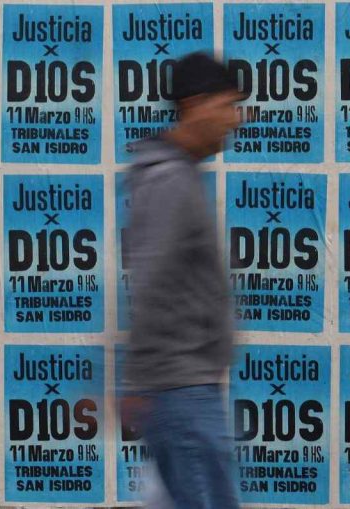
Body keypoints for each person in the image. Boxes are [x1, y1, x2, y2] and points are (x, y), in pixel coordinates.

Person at [121, 52, 242, 509]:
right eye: (228, 105)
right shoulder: (170, 180)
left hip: (188, 392)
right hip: (180, 395)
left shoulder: (180, 175)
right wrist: (138, 381)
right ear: (195, 105)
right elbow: (150, 282)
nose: (235, 119)